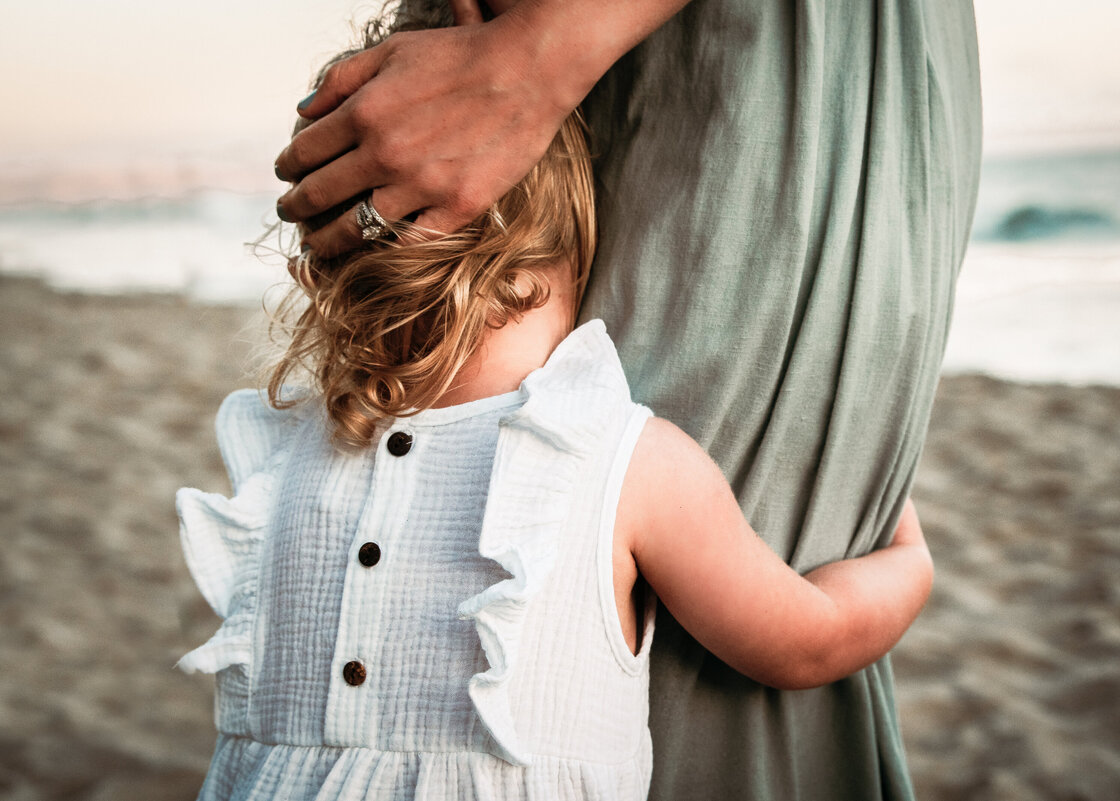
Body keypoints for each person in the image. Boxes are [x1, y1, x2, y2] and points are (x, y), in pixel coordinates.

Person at [176, 4, 935, 798]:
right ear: (557, 255)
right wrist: (908, 560)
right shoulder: (615, 460)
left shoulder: (282, 462)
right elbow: (805, 643)